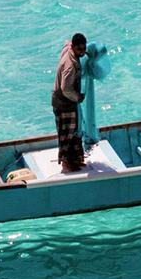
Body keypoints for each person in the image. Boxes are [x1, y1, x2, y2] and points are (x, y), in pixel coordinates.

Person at [53, 32, 88, 173]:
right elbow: (66, 88)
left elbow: (66, 41)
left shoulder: (68, 48)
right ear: (73, 48)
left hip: (68, 102)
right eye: (79, 50)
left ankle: (75, 160)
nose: (82, 52)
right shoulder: (70, 66)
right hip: (63, 103)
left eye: (84, 49)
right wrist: (77, 98)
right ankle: (66, 164)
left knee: (74, 131)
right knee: (66, 134)